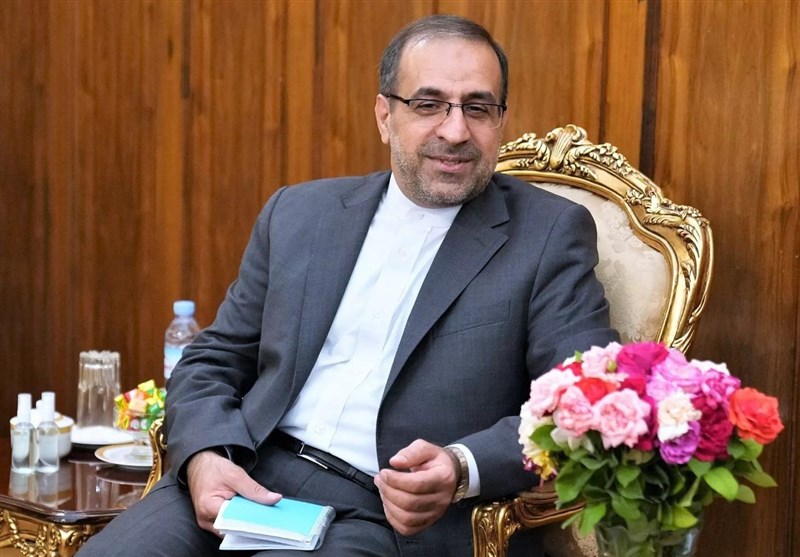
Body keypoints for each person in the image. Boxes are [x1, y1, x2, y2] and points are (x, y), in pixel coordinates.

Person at [78, 14, 618, 557]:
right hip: (246, 470)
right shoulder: (300, 213)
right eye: (428, 104)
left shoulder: (548, 235)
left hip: (384, 514)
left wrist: (461, 466)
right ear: (385, 115)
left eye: (478, 108)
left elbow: (580, 400)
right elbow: (214, 357)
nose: (455, 131)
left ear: (501, 120)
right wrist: (203, 454)